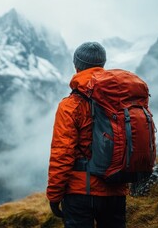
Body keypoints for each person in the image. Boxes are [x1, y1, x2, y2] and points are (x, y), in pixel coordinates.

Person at [47, 42, 128, 228]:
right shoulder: (122, 100)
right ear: (103, 65)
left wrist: (54, 195)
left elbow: (62, 154)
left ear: (76, 66)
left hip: (80, 193)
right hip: (116, 188)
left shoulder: (70, 105)